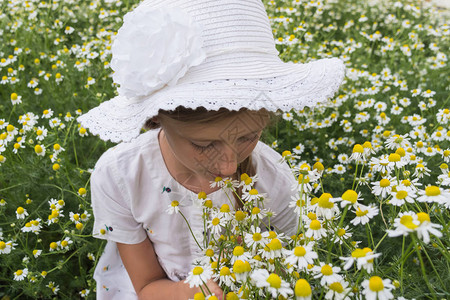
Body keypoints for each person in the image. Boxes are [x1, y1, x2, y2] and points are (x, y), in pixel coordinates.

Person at [77, 0, 345, 299]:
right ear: (154, 120)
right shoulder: (120, 176)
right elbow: (146, 286)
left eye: (248, 137)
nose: (229, 167)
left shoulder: (275, 181)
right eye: (203, 145)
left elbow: (285, 271)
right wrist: (191, 293)